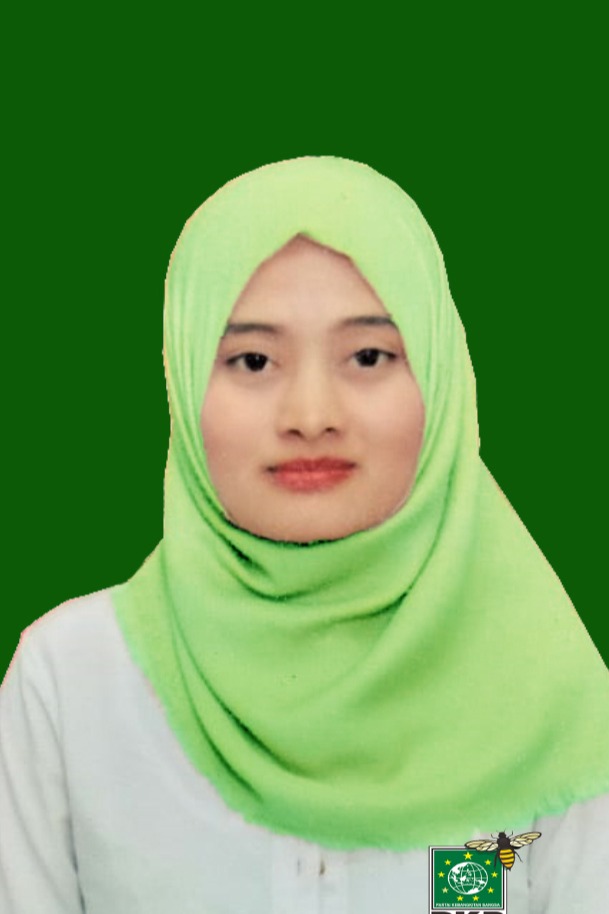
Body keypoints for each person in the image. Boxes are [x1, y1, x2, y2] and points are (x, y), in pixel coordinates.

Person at [1, 156, 608, 914]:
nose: (311, 415)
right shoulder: (73, 681)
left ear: (441, 378)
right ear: (182, 378)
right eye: (253, 360)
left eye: (368, 356)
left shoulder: (545, 693)